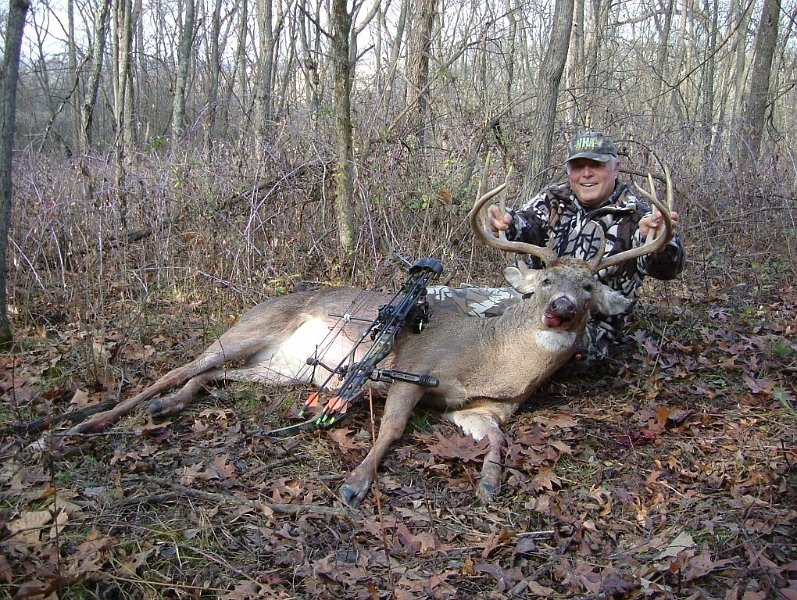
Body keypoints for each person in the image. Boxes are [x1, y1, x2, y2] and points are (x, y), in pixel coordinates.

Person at [427, 131, 685, 363]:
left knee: (512, 346)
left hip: (588, 329)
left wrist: (660, 243)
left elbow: (667, 269)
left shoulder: (638, 217)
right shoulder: (554, 199)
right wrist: (504, 223)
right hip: (534, 305)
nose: (586, 173)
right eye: (578, 166)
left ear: (616, 169)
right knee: (433, 299)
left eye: (596, 165)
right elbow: (525, 224)